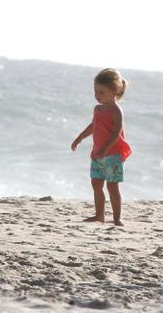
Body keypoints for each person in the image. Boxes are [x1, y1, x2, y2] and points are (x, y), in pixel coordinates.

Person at [71, 68, 133, 225]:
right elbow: (93, 126)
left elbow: (116, 132)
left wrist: (106, 148)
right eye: (96, 92)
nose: (97, 96)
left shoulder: (116, 110)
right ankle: (99, 215)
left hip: (112, 154)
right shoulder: (97, 109)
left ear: (114, 91)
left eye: (101, 92)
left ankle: (117, 218)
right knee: (96, 184)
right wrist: (79, 138)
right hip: (98, 154)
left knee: (112, 186)